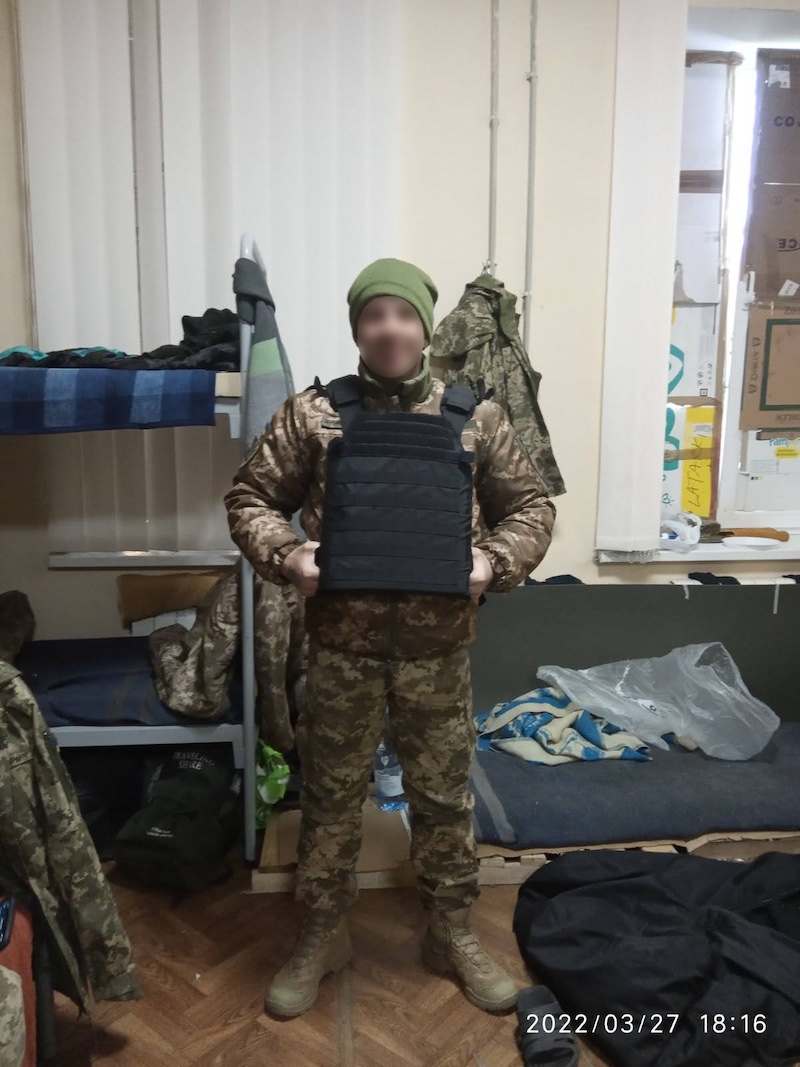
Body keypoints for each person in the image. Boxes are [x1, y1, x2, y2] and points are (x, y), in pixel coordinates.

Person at [224, 258, 556, 1018]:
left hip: (438, 654)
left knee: (442, 801)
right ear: (358, 329)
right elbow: (250, 497)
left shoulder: (476, 419)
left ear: (424, 323)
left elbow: (531, 508)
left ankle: (450, 933)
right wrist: (287, 554)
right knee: (333, 798)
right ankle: (322, 934)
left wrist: (494, 560)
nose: (389, 328)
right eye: (374, 315)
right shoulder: (315, 416)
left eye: (402, 313)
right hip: (341, 649)